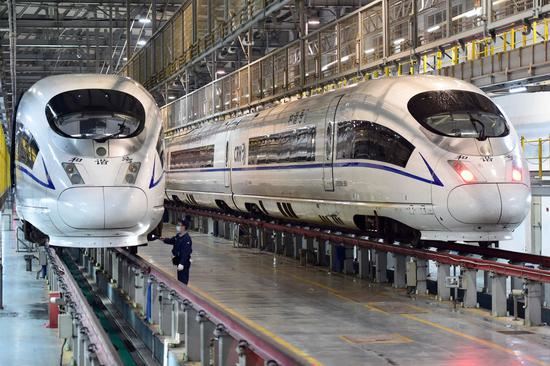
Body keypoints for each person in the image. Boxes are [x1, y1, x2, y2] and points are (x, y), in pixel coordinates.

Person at [161, 219, 192, 285]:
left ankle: (184, 292)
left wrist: (182, 263)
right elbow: (172, 240)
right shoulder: (178, 236)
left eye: (179, 225)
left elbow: (186, 253)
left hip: (184, 263)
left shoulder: (186, 239)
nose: (177, 227)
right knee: (179, 279)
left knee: (183, 280)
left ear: (184, 227)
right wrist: (163, 239)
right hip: (178, 261)